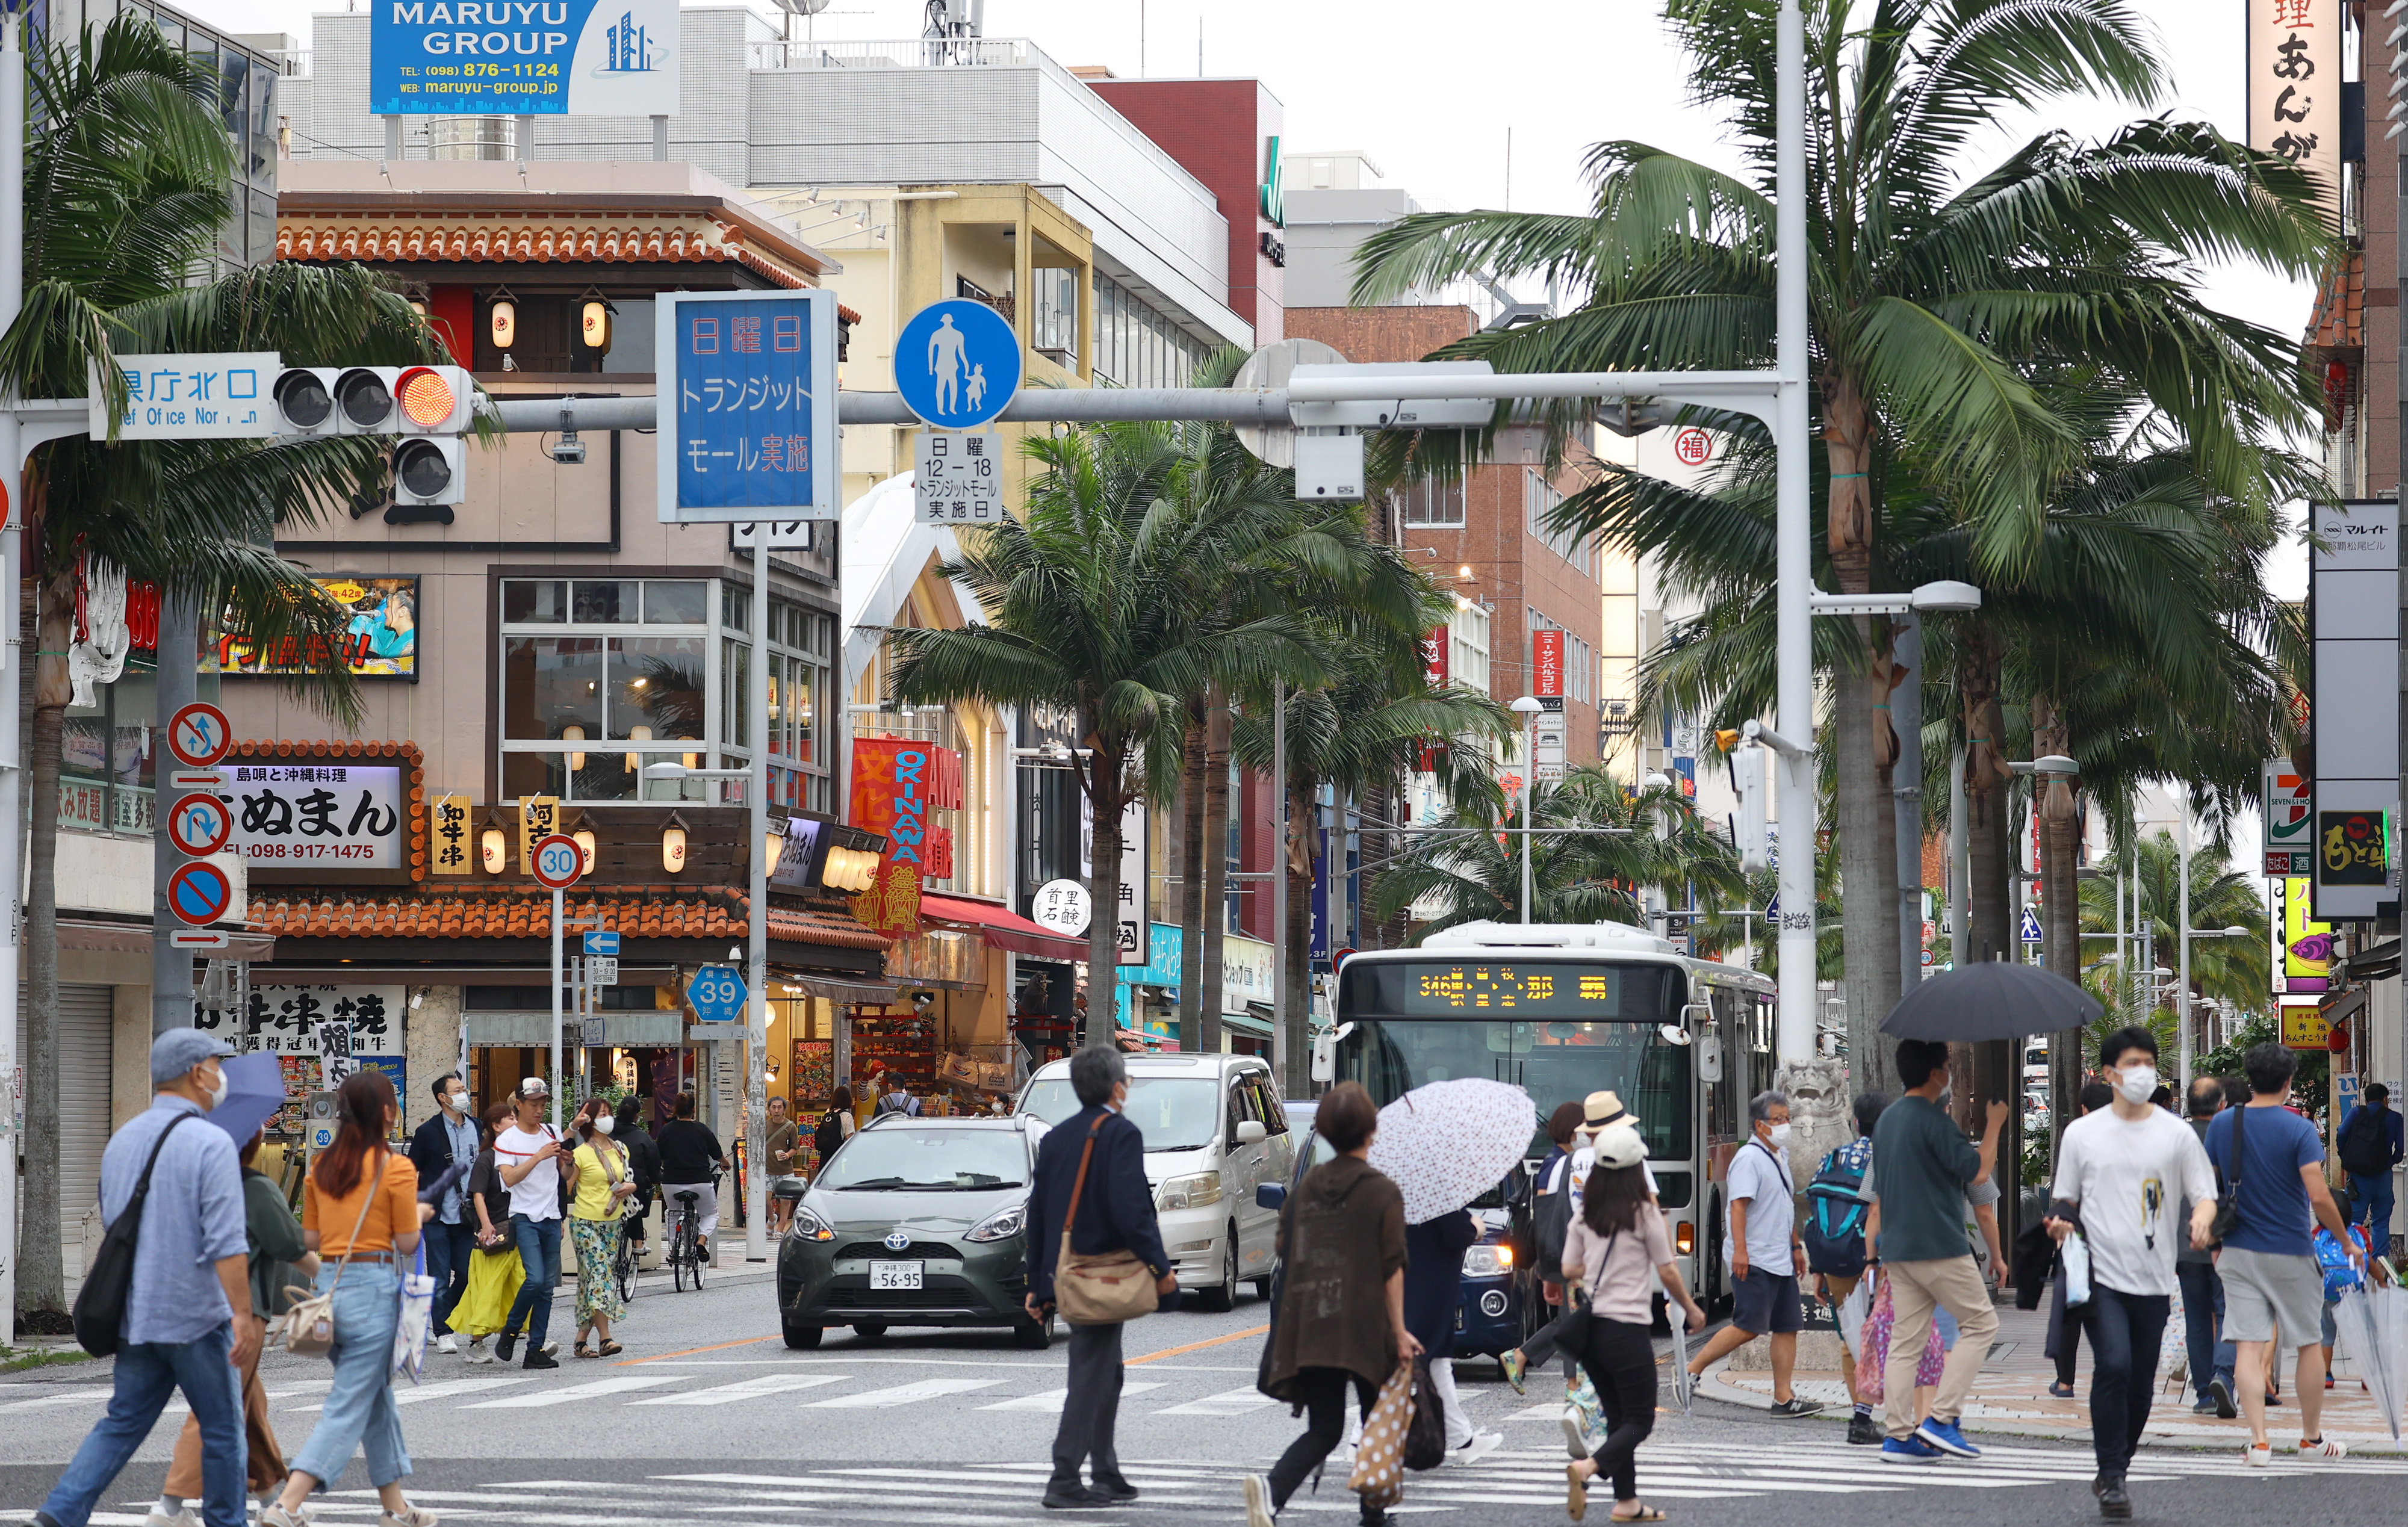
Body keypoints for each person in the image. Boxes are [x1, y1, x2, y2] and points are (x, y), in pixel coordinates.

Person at [31, 1032, 253, 1527]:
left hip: (136, 1314)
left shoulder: (122, 1141)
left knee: (121, 1423)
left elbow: (115, 1223)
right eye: (218, 1064)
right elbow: (226, 1242)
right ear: (198, 1072)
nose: (221, 1076)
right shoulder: (212, 1142)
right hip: (196, 1315)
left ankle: (58, 1514)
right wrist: (243, 1313)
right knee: (222, 1431)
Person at [2044, 1027, 2218, 1519]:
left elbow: (2204, 1192)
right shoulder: (2083, 1133)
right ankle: (2114, 1475)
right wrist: (2059, 1223)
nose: (2141, 1070)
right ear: (2109, 1073)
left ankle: (2115, 1464)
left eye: (2148, 1061)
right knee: (2114, 1364)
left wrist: (2202, 1219)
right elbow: (2065, 1198)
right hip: (2099, 1273)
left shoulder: (2176, 1132)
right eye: (2132, 1062)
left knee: (2141, 1384)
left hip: (2155, 1276)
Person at [260, 1070, 440, 1527]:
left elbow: (313, 1236)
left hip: (330, 1291)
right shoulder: (396, 1167)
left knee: (374, 1398)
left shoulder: (323, 1166)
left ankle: (396, 1508)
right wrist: (417, 1212)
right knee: (348, 1403)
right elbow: (404, 1242)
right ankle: (288, 1504)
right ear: (384, 1112)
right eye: (394, 1101)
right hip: (375, 1292)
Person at [1246, 1082, 1415, 1527]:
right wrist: (1399, 1331)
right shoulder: (1382, 1192)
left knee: (1325, 1427)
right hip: (1365, 1326)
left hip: (1313, 1323)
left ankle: (1274, 1490)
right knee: (1378, 1418)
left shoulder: (1306, 1190)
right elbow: (1392, 1267)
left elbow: (1284, 1246)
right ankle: (1374, 1510)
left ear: (1323, 1131)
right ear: (1371, 1130)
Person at [1027, 1045, 1175, 1510]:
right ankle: (1065, 1476)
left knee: (1107, 1372)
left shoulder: (1057, 1138)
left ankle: (1105, 1470)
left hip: (1071, 1272)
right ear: (1116, 1087)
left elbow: (1040, 1214)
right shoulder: (1120, 1134)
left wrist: (1039, 1282)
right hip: (1105, 1273)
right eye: (1126, 1080)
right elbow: (1133, 1211)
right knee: (1091, 1374)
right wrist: (1161, 1268)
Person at [2202, 1041, 2362, 1466]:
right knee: (2310, 1343)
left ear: (2249, 1078)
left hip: (2237, 1251)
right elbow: (2319, 1195)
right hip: (2291, 1250)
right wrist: (2346, 1241)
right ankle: (2310, 1439)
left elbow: (2209, 1188)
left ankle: (2258, 1442)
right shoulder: (2299, 1129)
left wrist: (2212, 1239)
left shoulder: (2223, 1124)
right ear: (2289, 1081)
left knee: (2247, 1347)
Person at [152, 1126, 314, 1527]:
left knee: (250, 1404)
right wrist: (331, 1281)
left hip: (190, 1304)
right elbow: (291, 1244)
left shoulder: (191, 1185)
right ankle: (169, 1507)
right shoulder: (252, 1187)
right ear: (253, 1143)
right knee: (216, 1407)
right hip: (241, 1311)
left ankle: (271, 1500)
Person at [1560, 1119, 1709, 1523]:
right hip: (1626, 1330)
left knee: (1618, 1417)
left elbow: (1568, 1265)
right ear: (1633, 1168)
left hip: (1592, 1335)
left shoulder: (1585, 1215)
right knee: (1640, 1419)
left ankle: (1626, 1502)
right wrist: (1692, 1309)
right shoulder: (1645, 1214)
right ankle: (1587, 1469)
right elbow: (1669, 1271)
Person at [1869, 1038, 2005, 1464]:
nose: (1949, 1071)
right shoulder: (1934, 1121)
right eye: (1946, 1065)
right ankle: (1942, 1419)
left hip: (1897, 1248)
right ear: (1934, 1074)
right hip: (1939, 1245)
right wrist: (1995, 1122)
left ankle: (1897, 1434)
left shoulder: (1888, 1121)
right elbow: (1978, 1170)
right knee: (1982, 1324)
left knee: (1905, 1342)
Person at [1684, 1090, 1820, 1417]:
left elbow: (1784, 1205)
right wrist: (1740, 1252)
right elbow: (1738, 1206)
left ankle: (1784, 1398)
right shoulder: (1749, 1158)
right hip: (1755, 1258)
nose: (1785, 1125)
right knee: (1748, 1325)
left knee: (1788, 1326)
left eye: (1787, 1118)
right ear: (1760, 1126)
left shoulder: (1778, 1156)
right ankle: (1689, 1370)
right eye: (1778, 1120)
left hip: (1780, 1257)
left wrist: (1795, 1246)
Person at [1804, 1091, 1885, 1445]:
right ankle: (1891, 1415)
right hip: (1878, 1259)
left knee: (1851, 1337)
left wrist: (1819, 1267)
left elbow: (1820, 1211)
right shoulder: (1888, 1157)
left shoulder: (1832, 1157)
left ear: (1855, 1123)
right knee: (1889, 1334)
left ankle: (1860, 1416)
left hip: (1836, 1258)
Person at [1403, 1204, 1503, 1464]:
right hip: (1431, 1285)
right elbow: (1456, 1231)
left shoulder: (1400, 1185)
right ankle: (1359, 1440)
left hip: (1411, 1280)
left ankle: (1464, 1440)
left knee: (1436, 1363)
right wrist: (1475, 1226)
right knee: (1409, 1365)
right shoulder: (1433, 1187)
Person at [1501, 1103, 1588, 1395]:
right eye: (1584, 1126)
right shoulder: (1556, 1164)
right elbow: (1548, 1216)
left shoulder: (1562, 1160)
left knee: (1571, 1317)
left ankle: (1521, 1357)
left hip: (1563, 1252)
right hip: (1564, 1252)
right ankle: (1573, 1385)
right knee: (1575, 1319)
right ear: (1572, 1129)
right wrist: (1547, 1265)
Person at [492, 1076, 575, 1370]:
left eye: (543, 1104)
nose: (539, 1110)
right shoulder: (507, 1140)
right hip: (524, 1216)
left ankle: (535, 1349)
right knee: (535, 1278)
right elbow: (509, 1179)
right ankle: (511, 1330)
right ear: (519, 1104)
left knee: (546, 1289)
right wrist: (539, 1156)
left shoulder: (551, 1131)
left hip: (552, 1217)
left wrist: (566, 1161)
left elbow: (565, 1177)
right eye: (534, 1104)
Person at [2049, 1080, 2115, 1398]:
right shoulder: (2125, 1137)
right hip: (2117, 1238)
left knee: (2071, 1305)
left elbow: (2066, 1193)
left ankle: (2065, 1382)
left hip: (2078, 1236)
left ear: (2085, 1109)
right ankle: (2115, 1372)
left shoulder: (2077, 1136)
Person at [406, 1072, 479, 1356]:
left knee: (466, 1273)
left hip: (468, 1215)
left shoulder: (477, 1126)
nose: (465, 1094)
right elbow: (412, 1170)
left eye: (464, 1088)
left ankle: (442, 1315)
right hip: (437, 1215)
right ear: (443, 1098)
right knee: (438, 1274)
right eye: (458, 1090)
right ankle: (443, 1331)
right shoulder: (428, 1132)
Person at [2179, 1076, 2235, 1417]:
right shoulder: (2230, 1134)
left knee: (2197, 1319)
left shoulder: (2175, 1138)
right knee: (2228, 1311)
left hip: (2184, 1242)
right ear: (2221, 1105)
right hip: (2227, 1238)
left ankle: (2203, 1393)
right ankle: (2224, 1376)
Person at [566, 1097, 635, 1357]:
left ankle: (581, 1340)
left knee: (590, 1282)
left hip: (613, 1222)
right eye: (601, 1114)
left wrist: (632, 1187)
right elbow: (567, 1189)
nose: (607, 1118)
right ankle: (606, 1339)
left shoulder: (620, 1149)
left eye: (609, 1113)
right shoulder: (580, 1153)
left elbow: (628, 1179)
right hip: (585, 1222)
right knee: (599, 1276)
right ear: (590, 1121)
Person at [456, 1103, 523, 1364]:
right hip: (494, 1235)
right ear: (496, 1127)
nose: (515, 1121)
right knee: (487, 1289)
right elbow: (477, 1195)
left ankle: (533, 1334)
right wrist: (485, 1225)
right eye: (510, 1118)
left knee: (521, 1283)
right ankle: (476, 1343)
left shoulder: (517, 1155)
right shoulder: (487, 1158)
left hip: (519, 1230)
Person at [656, 1090, 730, 1262]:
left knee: (673, 1213)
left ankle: (675, 1249)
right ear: (694, 1109)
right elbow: (717, 1153)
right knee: (710, 1214)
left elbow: (658, 1154)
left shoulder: (666, 1130)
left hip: (671, 1182)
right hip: (700, 1181)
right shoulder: (702, 1130)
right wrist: (726, 1163)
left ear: (676, 1109)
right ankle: (701, 1240)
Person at [2336, 1083, 2403, 1250]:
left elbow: (2342, 1133)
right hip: (2383, 1176)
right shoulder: (2394, 1118)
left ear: (2365, 1099)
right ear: (2385, 1098)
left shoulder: (2356, 1113)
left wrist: (2346, 1156)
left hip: (2359, 1177)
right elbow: (2401, 1147)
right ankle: (2380, 1265)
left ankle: (2353, 1259)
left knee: (2354, 1221)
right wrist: (2391, 1161)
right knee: (2381, 1222)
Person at [613, 1094, 662, 1259]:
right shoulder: (642, 1137)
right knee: (634, 1203)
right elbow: (654, 1167)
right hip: (633, 1186)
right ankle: (638, 1242)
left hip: (607, 1184)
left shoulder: (605, 1133)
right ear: (637, 1115)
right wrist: (656, 1178)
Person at [764, 1096, 800, 1238]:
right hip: (767, 1169)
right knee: (765, 1200)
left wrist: (787, 1155)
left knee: (785, 1201)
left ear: (785, 1109)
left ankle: (780, 1230)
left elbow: (794, 1148)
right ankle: (772, 1219)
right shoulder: (765, 1126)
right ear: (769, 1109)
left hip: (785, 1170)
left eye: (780, 1107)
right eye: (774, 1107)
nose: (777, 1110)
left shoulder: (791, 1127)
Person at [814, 1085, 858, 1174]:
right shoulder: (847, 1116)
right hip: (838, 1155)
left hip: (825, 1154)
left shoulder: (828, 1112)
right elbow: (849, 1138)